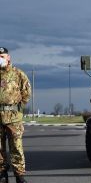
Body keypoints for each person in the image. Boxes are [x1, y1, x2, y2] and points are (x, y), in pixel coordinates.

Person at [0, 48, 31, 183]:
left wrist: (17, 108)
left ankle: (19, 175)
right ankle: (2, 174)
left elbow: (27, 93)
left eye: (2, 56)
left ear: (8, 58)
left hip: (13, 118)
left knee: (16, 147)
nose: (0, 58)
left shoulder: (18, 74)